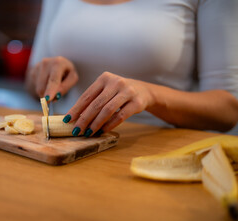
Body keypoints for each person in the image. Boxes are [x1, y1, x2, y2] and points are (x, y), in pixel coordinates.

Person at [25, 0, 238, 137]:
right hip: (65, 150)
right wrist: (44, 77)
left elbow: (228, 110)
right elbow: (31, 83)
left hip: (153, 150)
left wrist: (150, 94)